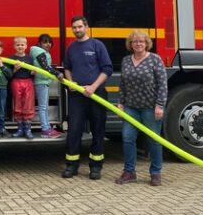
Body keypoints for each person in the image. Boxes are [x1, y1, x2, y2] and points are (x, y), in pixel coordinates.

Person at [62, 15, 113, 180]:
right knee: (74, 130)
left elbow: (107, 69)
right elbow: (67, 68)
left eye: (79, 27)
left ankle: (95, 167)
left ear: (86, 27)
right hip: (77, 95)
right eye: (74, 28)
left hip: (96, 94)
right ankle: (71, 165)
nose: (77, 30)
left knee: (97, 130)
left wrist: (93, 87)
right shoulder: (71, 48)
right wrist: (71, 83)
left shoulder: (97, 45)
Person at [115, 30, 168, 186]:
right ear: (130, 44)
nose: (138, 44)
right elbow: (123, 84)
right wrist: (121, 102)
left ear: (146, 44)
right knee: (127, 138)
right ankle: (129, 172)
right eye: (134, 41)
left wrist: (159, 106)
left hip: (150, 108)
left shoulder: (155, 59)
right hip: (131, 107)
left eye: (141, 41)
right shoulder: (126, 60)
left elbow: (163, 85)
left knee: (153, 140)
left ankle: (155, 173)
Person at [29, 34, 63, 138]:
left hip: (44, 82)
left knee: (45, 107)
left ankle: (48, 128)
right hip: (41, 82)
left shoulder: (42, 53)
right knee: (43, 107)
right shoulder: (40, 53)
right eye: (45, 42)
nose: (48, 44)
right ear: (39, 43)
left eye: (49, 42)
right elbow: (45, 67)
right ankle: (45, 130)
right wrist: (58, 73)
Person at [8, 36, 35, 139]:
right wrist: (14, 69)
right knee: (18, 104)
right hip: (16, 82)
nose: (20, 46)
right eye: (18, 45)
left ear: (26, 46)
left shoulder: (29, 58)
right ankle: (20, 129)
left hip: (28, 82)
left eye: (22, 44)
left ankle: (28, 130)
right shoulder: (11, 58)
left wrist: (33, 72)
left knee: (28, 105)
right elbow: (8, 74)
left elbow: (31, 72)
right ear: (14, 46)